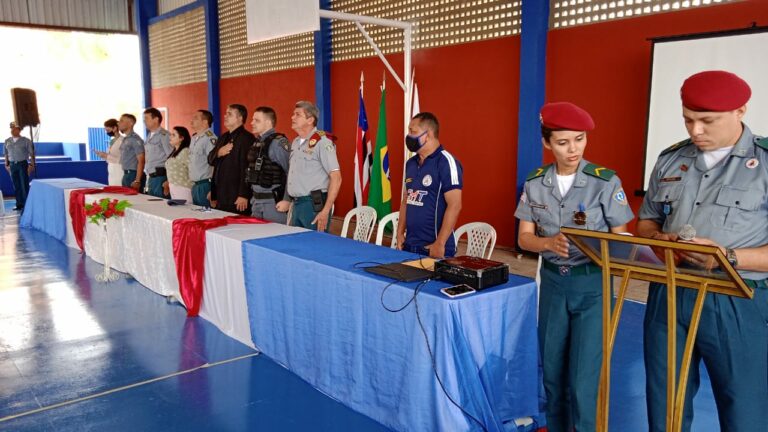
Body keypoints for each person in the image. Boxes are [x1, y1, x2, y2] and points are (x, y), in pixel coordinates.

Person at [638, 70, 768, 432]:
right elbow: (647, 222)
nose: (695, 131)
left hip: (736, 298)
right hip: (669, 290)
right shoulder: (670, 159)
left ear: (740, 110)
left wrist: (728, 257)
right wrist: (660, 241)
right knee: (665, 402)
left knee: (745, 406)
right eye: (688, 119)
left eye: (707, 121)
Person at [514, 102, 633, 432]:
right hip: (553, 284)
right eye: (563, 142)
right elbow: (525, 238)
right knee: (552, 371)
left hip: (592, 286)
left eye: (579, 139)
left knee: (584, 378)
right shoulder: (536, 182)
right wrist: (548, 243)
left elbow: (621, 239)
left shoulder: (604, 182)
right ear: (547, 144)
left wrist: (606, 247)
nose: (573, 149)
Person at [396, 112, 463, 258]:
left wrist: (440, 243)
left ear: (428, 135)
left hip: (433, 248)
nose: (408, 136)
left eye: (413, 132)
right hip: (409, 245)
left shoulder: (446, 163)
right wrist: (400, 233)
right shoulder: (410, 164)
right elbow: (406, 200)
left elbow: (455, 205)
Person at [278, 101, 341, 231]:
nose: (292, 117)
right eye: (293, 114)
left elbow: (336, 177)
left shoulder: (323, 143)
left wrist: (325, 211)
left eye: (297, 115)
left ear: (310, 120)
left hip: (313, 205)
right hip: (296, 204)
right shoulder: (295, 142)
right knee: (296, 245)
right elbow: (293, 174)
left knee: (314, 246)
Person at [207, 104, 254, 215]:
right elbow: (210, 160)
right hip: (221, 193)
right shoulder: (223, 137)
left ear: (240, 118)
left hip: (237, 195)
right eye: (225, 113)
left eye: (230, 114)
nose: (225, 116)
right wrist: (219, 153)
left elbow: (247, 168)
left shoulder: (247, 139)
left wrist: (243, 194)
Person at [248, 106, 290, 223]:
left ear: (268, 122)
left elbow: (291, 172)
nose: (252, 123)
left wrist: (287, 199)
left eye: (257, 120)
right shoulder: (257, 143)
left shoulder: (278, 143)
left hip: (274, 204)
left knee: (275, 239)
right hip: (256, 201)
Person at [3, 122, 35, 211]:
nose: (12, 130)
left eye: (14, 128)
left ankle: (27, 204)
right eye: (11, 128)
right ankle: (19, 204)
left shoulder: (26, 140)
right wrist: (6, 164)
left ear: (19, 130)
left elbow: (32, 154)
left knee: (24, 185)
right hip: (12, 165)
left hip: (22, 164)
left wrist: (32, 165)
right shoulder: (7, 141)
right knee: (16, 185)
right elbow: (6, 154)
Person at [188, 109, 216, 207]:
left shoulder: (210, 138)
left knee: (206, 217)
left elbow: (215, 164)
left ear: (204, 122)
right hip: (195, 185)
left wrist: (214, 189)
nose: (191, 121)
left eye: (195, 118)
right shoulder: (194, 138)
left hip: (205, 185)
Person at [143, 108, 173, 197]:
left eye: (147, 118)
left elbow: (171, 157)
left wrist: (168, 180)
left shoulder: (164, 135)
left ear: (156, 119)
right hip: (150, 176)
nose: (144, 121)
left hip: (160, 177)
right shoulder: (149, 135)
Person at [163, 126, 193, 202]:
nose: (170, 137)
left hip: (183, 187)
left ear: (181, 138)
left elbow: (192, 169)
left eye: (173, 135)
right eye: (171, 134)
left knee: (185, 211)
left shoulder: (185, 151)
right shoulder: (174, 152)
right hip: (174, 186)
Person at [118, 114, 146, 192]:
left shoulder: (135, 139)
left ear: (131, 123)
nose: (118, 123)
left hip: (133, 175)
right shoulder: (126, 138)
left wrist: (137, 181)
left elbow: (141, 160)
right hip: (126, 174)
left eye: (122, 121)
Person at [94, 118, 124, 185]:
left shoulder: (123, 141)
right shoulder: (112, 140)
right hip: (111, 169)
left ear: (115, 128)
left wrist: (107, 156)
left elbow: (123, 159)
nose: (107, 132)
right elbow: (109, 156)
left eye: (108, 130)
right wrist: (103, 155)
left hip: (119, 169)